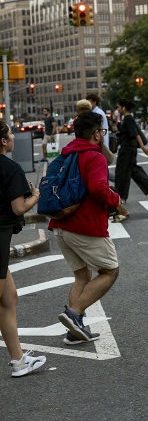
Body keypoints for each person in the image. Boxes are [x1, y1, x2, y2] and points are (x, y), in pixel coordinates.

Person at [51, 112, 128, 344]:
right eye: (102, 132)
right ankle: (74, 314)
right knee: (110, 271)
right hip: (84, 225)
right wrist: (118, 202)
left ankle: (74, 331)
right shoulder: (93, 157)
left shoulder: (64, 156)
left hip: (60, 225)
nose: (103, 136)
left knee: (82, 275)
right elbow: (98, 188)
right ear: (95, 134)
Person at [0, 120, 47, 376]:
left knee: (9, 298)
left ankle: (19, 361)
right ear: (2, 141)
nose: (14, 137)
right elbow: (19, 208)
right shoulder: (11, 168)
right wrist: (36, 197)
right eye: (10, 134)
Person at [113, 99, 148, 208]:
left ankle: (121, 196)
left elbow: (136, 134)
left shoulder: (128, 118)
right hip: (128, 148)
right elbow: (130, 133)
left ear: (123, 107)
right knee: (132, 170)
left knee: (122, 172)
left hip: (128, 149)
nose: (118, 109)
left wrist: (143, 148)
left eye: (118, 107)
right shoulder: (126, 118)